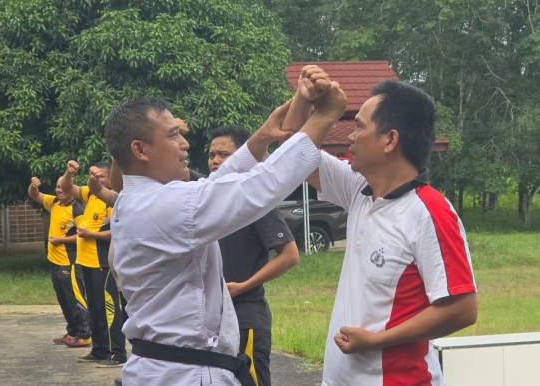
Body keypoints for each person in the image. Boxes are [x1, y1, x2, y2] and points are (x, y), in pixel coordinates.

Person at [94, 69, 345, 386]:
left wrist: (261, 138)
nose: (185, 143)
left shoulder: (139, 203)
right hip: (186, 375)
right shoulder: (163, 205)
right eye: (173, 135)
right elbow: (259, 188)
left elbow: (218, 184)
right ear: (140, 150)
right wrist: (325, 117)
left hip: (164, 370)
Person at [291, 80, 478, 385]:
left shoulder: (430, 211)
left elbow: (462, 309)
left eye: (359, 128)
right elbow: (294, 150)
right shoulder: (359, 191)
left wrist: (376, 340)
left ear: (390, 140)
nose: (350, 137)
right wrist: (305, 99)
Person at [209, 125, 300, 386]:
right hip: (215, 321)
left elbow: (290, 255)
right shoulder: (210, 200)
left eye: (223, 154)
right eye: (212, 154)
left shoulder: (256, 203)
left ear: (244, 157)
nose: (215, 161)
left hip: (246, 318)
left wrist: (243, 287)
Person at [60, 162, 127, 367]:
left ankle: (117, 353)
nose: (99, 181)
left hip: (103, 263)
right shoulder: (90, 195)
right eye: (96, 177)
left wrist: (92, 234)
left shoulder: (111, 200)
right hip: (86, 261)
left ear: (112, 179)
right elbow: (66, 187)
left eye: (103, 177)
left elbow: (117, 231)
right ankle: (98, 350)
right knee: (95, 309)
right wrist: (69, 173)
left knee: (109, 309)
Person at [27, 176, 91, 346]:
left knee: (75, 298)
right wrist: (33, 186)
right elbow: (35, 195)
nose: (60, 190)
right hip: (54, 262)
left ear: (71, 188)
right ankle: (72, 332)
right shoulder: (54, 202)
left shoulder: (77, 210)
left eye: (63, 187)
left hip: (68, 262)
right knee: (63, 298)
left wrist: (61, 240)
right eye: (57, 186)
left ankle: (85, 334)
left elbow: (82, 236)